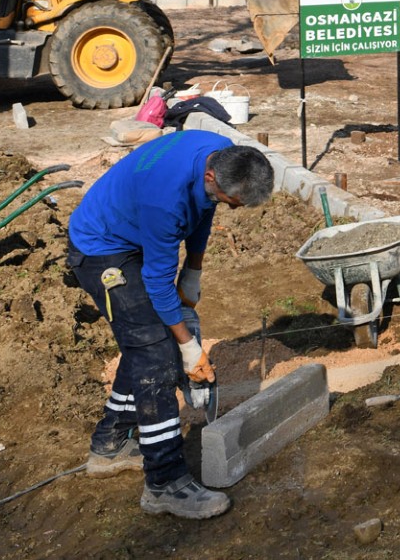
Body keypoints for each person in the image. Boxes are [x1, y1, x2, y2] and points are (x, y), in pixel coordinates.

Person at [66, 127, 275, 519]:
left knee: (144, 340)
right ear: (211, 177)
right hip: (102, 249)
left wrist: (193, 270)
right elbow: (159, 284)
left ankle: (110, 444)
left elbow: (204, 210)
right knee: (156, 354)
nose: (230, 208)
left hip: (132, 234)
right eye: (232, 202)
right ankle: (164, 482)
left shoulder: (219, 154)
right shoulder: (165, 200)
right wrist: (187, 346)